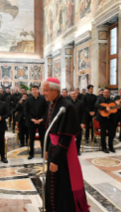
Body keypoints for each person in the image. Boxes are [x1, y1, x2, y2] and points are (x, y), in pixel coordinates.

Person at [42, 77, 90, 212]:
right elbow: (49, 129)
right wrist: (46, 150)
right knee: (52, 181)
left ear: (53, 90)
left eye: (45, 90)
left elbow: (66, 136)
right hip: (53, 148)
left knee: (62, 182)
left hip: (62, 153)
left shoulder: (66, 106)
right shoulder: (51, 103)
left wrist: (56, 160)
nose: (43, 93)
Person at [24, 85, 47, 159]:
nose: (34, 91)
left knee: (43, 138)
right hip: (31, 122)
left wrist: (41, 119)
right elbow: (26, 111)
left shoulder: (43, 99)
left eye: (35, 89)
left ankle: (43, 153)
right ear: (31, 91)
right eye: (32, 90)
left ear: (38, 90)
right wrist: (32, 119)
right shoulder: (28, 99)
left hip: (41, 122)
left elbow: (46, 110)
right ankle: (31, 154)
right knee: (31, 138)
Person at [95, 89, 117, 153]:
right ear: (103, 93)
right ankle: (104, 148)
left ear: (109, 93)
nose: (106, 93)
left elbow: (115, 109)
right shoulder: (100, 99)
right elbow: (96, 105)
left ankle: (111, 147)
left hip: (111, 119)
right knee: (103, 134)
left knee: (111, 134)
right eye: (104, 92)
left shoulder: (112, 101)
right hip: (103, 119)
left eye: (107, 92)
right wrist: (105, 108)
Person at [70, 91, 86, 155]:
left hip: (78, 123)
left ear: (76, 94)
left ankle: (77, 150)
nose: (73, 95)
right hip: (70, 123)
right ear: (70, 95)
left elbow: (83, 113)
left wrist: (82, 122)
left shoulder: (81, 102)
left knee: (78, 137)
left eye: (74, 94)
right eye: (72, 94)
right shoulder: (68, 102)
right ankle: (71, 150)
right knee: (70, 138)